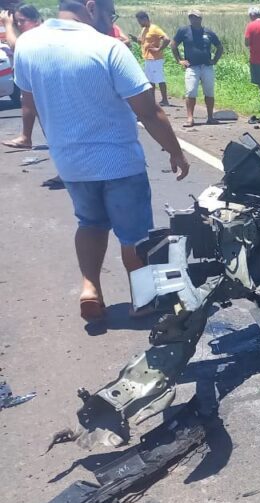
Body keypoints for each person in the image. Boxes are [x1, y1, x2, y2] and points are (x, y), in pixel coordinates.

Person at [13, 0, 190, 321]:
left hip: (71, 164)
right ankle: (143, 300)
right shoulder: (107, 47)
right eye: (111, 15)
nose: (111, 22)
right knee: (135, 235)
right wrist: (175, 151)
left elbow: (29, 102)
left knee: (90, 223)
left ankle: (90, 287)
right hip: (119, 162)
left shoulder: (27, 44)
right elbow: (148, 111)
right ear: (91, 7)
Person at [170, 9, 222, 127]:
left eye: (196, 17)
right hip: (192, 67)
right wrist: (179, 60)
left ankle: (210, 117)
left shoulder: (208, 32)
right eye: (191, 17)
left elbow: (219, 47)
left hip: (207, 66)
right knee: (191, 91)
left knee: (209, 92)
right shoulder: (184, 31)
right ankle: (190, 118)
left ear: (200, 18)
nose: (193, 19)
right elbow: (173, 44)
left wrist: (215, 60)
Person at [1, 4, 41, 149]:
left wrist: (7, 25)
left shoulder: (38, 32)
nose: (19, 25)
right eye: (17, 22)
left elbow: (15, 46)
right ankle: (26, 138)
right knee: (28, 101)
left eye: (22, 21)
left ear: (36, 20)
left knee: (40, 108)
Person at [131, 11, 169, 106]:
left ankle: (165, 100)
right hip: (148, 58)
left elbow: (167, 39)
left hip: (156, 59)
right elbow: (142, 42)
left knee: (159, 79)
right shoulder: (144, 29)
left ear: (145, 19)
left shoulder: (154, 28)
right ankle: (152, 100)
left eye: (140, 21)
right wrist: (135, 39)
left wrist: (159, 49)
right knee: (150, 80)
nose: (139, 23)